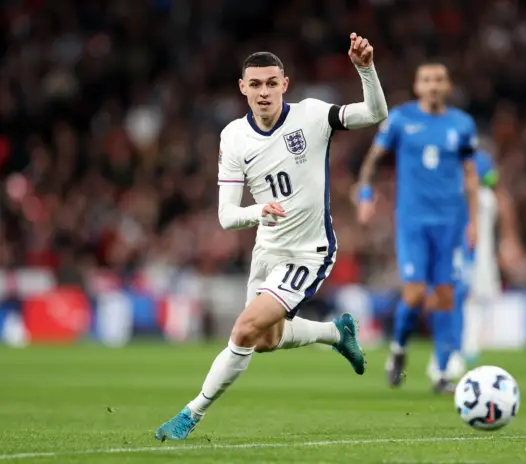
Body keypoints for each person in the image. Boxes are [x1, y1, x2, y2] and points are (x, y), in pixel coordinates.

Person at [155, 33, 388, 441]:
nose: (264, 92)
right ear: (243, 89)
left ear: (285, 84)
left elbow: (374, 114)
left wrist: (365, 68)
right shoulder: (233, 137)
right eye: (255, 84)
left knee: (244, 329)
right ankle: (337, 333)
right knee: (265, 341)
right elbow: (227, 216)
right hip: (268, 250)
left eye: (271, 83)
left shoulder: (313, 116)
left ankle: (191, 414)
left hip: (309, 252)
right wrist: (257, 212)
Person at [356, 62, 479, 393]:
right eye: (427, 79)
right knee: (413, 292)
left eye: (439, 79)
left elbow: (471, 176)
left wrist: (474, 222)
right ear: (417, 86)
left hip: (451, 223)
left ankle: (441, 374)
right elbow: (372, 160)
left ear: (448, 85)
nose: (433, 85)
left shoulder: (462, 124)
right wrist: (365, 194)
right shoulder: (400, 118)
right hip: (413, 221)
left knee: (445, 295)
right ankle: (398, 349)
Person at [426, 148, 514, 382]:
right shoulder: (489, 198)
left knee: (465, 300)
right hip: (478, 257)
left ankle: (459, 351)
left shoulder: (478, 197)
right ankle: (462, 350)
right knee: (469, 301)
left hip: (472, 255)